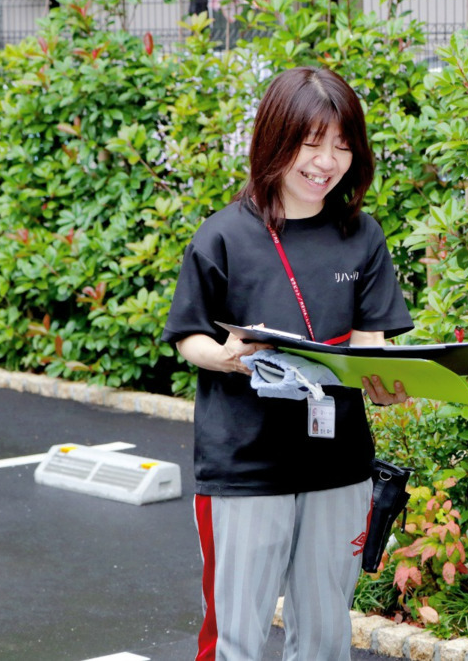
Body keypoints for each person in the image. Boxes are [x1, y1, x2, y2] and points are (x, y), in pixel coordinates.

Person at [162, 66, 413, 661]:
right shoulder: (223, 236)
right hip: (244, 466)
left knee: (325, 635)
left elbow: (371, 344)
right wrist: (224, 359)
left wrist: (388, 382)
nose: (327, 161)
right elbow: (187, 335)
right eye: (313, 142)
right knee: (236, 637)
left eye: (343, 146)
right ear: (276, 139)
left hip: (338, 465)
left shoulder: (361, 235)